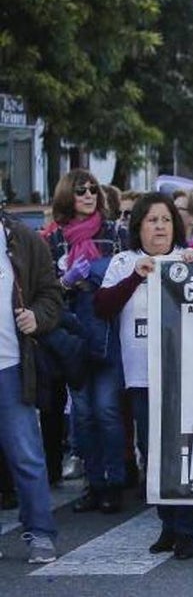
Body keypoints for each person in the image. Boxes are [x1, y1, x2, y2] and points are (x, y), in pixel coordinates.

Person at [95, 192, 193, 559]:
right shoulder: (124, 261)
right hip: (141, 376)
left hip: (184, 375)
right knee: (151, 453)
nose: (160, 227)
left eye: (167, 220)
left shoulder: (189, 260)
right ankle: (167, 525)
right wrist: (134, 279)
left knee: (181, 452)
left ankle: (186, 530)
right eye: (152, 220)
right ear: (138, 226)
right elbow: (102, 306)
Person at [42, 170, 126, 514]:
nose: (89, 195)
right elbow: (46, 285)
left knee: (107, 410)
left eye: (93, 189)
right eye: (81, 191)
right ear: (68, 196)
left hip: (106, 329)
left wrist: (93, 274)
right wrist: (66, 280)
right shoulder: (54, 238)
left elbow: (124, 272)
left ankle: (116, 482)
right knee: (84, 414)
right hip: (72, 332)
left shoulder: (113, 232)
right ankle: (95, 483)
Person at [0, 205, 63, 563]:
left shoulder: (23, 240)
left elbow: (51, 294)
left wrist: (36, 317)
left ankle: (40, 531)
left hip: (9, 364)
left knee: (25, 453)